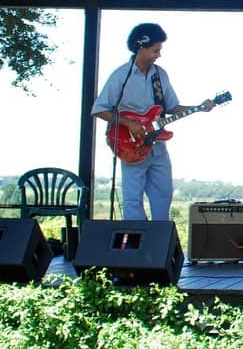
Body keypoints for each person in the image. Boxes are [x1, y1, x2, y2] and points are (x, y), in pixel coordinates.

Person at [91, 23, 212, 221]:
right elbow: (99, 109)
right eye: (155, 50)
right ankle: (136, 237)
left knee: (163, 197)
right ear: (141, 47)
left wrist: (199, 107)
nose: (159, 55)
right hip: (131, 146)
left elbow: (172, 107)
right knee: (132, 201)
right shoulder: (121, 75)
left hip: (158, 147)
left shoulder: (160, 75)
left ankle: (159, 236)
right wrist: (129, 124)